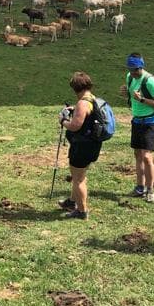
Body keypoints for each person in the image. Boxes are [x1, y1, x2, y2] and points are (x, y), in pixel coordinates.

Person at [119, 53, 154, 203]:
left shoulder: (150, 81)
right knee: (138, 155)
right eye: (130, 69)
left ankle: (150, 190)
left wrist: (142, 99)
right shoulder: (130, 77)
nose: (133, 72)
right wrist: (126, 92)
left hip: (150, 122)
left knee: (146, 156)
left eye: (135, 70)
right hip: (137, 121)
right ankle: (140, 187)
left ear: (141, 67)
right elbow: (131, 94)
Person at [57, 71, 102, 220]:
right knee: (79, 175)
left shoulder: (83, 103)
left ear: (76, 88)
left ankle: (82, 211)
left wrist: (63, 121)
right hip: (91, 144)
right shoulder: (92, 99)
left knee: (78, 178)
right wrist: (74, 110)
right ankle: (72, 201)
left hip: (83, 146)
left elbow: (75, 126)